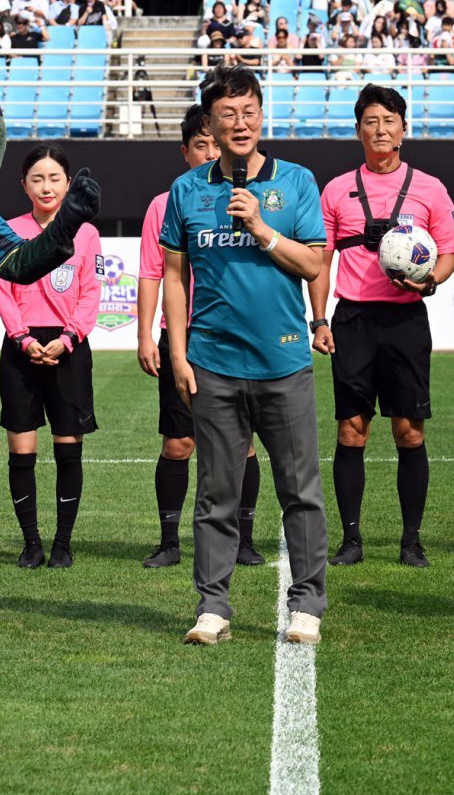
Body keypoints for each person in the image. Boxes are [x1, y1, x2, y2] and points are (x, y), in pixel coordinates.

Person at [162, 66, 329, 646]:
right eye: (227, 114)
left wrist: (260, 227)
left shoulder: (299, 182)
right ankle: (213, 607)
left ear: (262, 116)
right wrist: (179, 355)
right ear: (209, 122)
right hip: (211, 364)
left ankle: (306, 603)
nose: (240, 122)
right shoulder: (186, 192)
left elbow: (314, 265)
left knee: (299, 490)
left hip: (283, 363)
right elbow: (175, 277)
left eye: (249, 111)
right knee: (216, 493)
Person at [309, 85, 454, 568]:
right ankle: (351, 539)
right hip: (352, 318)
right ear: (358, 131)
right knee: (352, 431)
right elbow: (320, 259)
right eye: (371, 121)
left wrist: (430, 282)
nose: (381, 129)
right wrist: (319, 319)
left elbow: (450, 252)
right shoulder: (335, 189)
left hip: (405, 320)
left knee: (409, 432)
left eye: (389, 120)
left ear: (403, 129)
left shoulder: (431, 187)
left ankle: (410, 540)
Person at [139, 106, 266, 570]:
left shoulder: (252, 196)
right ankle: (169, 541)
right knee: (179, 443)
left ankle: (244, 539)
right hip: (183, 337)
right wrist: (146, 336)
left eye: (216, 143)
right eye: (201, 145)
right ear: (185, 151)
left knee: (243, 442)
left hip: (235, 334)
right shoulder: (165, 203)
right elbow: (155, 273)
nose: (211, 152)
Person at [0, 146, 102, 570]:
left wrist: (70, 336)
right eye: (37, 179)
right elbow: (4, 288)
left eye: (55, 178)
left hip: (68, 348)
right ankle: (31, 543)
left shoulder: (86, 233)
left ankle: (62, 543)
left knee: (67, 446)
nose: (46, 186)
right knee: (21, 447)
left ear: (68, 184)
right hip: (23, 349)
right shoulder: (7, 229)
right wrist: (21, 337)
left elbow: (91, 290)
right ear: (24, 186)